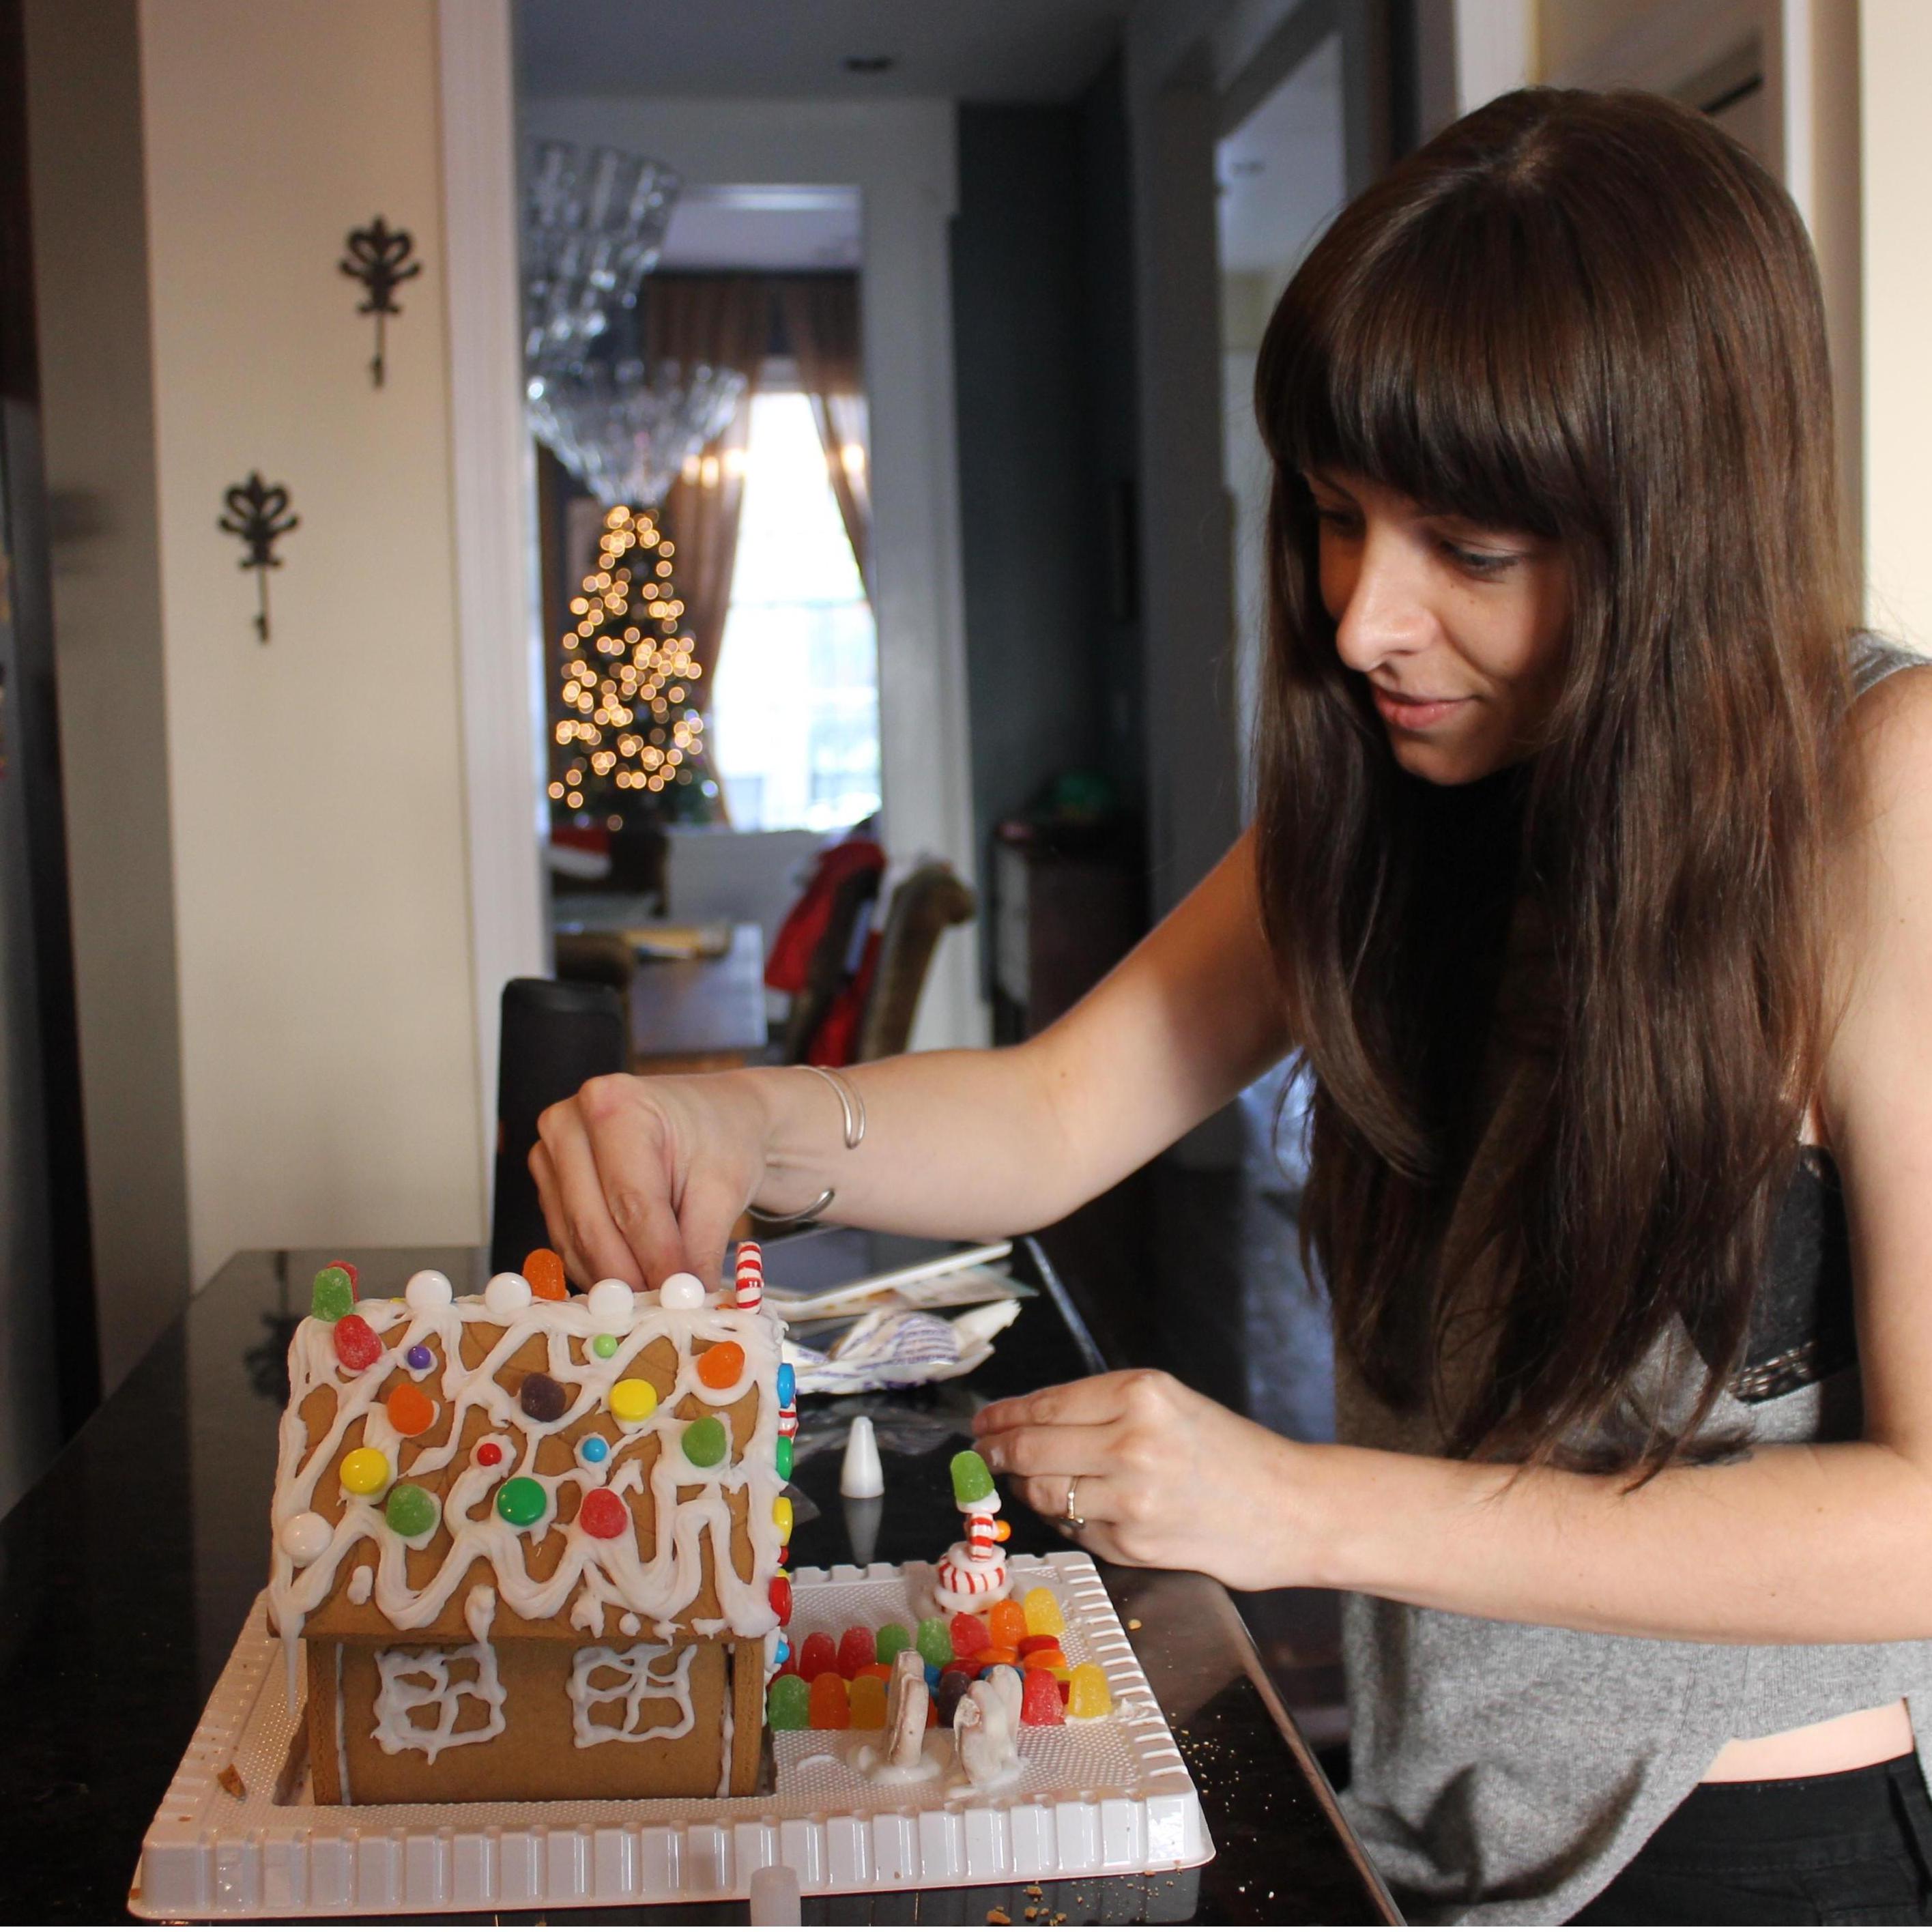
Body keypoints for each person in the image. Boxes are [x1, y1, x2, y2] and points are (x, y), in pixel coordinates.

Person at [531, 89, 1932, 1924]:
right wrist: (741, 1118)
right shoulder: (1422, 782)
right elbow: (1052, 1113)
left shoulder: (1876, 782)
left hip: (1743, 1862)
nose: (1363, 619)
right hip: (1445, 1831)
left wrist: (1293, 1506)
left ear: (1675, 523)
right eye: (1341, 521)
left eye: (1469, 552)